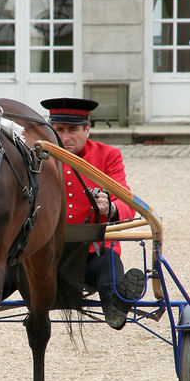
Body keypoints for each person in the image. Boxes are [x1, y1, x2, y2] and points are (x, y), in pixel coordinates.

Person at [40, 97, 145, 330]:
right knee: (6, 260)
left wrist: (112, 207)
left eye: (73, 130)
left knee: (108, 262)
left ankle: (116, 307)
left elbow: (126, 200)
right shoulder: (38, 156)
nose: (65, 137)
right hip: (43, 253)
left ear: (87, 129)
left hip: (91, 255)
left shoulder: (108, 155)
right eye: (59, 130)